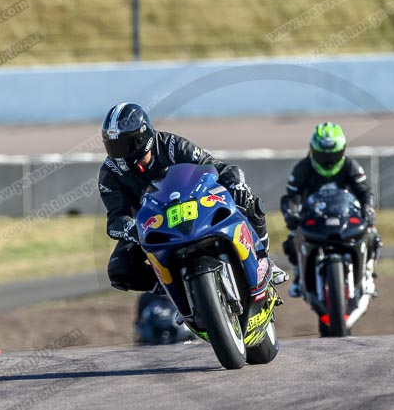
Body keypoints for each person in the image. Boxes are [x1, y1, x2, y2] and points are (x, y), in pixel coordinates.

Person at [98, 102, 285, 293]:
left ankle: (264, 259)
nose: (117, 154)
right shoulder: (109, 173)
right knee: (120, 270)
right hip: (152, 225)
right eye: (111, 147)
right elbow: (115, 220)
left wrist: (236, 182)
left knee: (249, 201)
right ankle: (176, 291)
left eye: (121, 145)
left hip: (194, 206)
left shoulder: (172, 146)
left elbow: (215, 167)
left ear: (142, 138)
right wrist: (133, 228)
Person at [279, 122, 380, 297]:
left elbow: (365, 192)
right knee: (292, 240)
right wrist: (291, 212)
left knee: (372, 234)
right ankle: (298, 277)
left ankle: (368, 274)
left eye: (333, 155)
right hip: (313, 217)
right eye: (322, 156)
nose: (328, 161)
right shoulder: (302, 168)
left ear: (342, 151)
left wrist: (368, 207)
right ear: (312, 150)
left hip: (345, 216)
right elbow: (291, 197)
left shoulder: (351, 165)